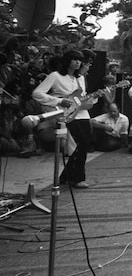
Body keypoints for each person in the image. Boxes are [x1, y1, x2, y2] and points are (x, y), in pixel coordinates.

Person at [31, 49, 94, 187]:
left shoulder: (80, 78)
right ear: (67, 61)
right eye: (74, 59)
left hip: (82, 113)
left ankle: (67, 176)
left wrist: (89, 100)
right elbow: (37, 94)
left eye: (79, 60)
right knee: (81, 142)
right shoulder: (55, 76)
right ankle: (77, 178)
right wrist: (58, 101)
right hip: (66, 113)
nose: (78, 63)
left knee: (85, 143)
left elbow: (80, 97)